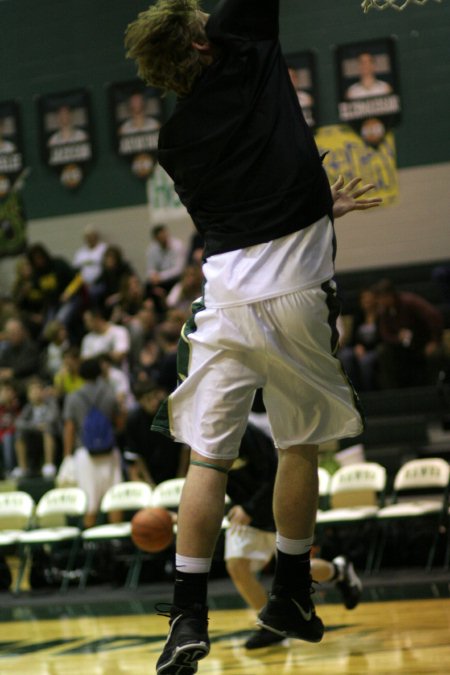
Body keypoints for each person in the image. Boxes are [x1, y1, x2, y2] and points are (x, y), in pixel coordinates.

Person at [125, 2, 381, 672]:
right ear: (202, 43)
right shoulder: (249, 50)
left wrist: (316, 204)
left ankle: (185, 616)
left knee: (207, 462)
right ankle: (293, 592)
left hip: (225, 300)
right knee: (300, 446)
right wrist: (318, 207)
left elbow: (254, 201)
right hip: (297, 295)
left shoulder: (173, 144)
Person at [225, 422, 362, 649]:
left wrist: (250, 508)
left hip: (275, 506)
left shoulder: (250, 436)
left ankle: (339, 571)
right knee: (237, 566)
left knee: (293, 572)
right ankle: (272, 626)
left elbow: (275, 478)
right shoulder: (208, 433)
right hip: (245, 513)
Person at [62, 357, 124, 528]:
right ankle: (116, 542)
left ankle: (90, 548)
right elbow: (120, 423)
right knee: (114, 497)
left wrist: (67, 455)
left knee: (89, 500)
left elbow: (69, 428)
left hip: (85, 453)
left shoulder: (73, 397)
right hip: (109, 451)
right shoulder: (110, 393)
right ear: (99, 372)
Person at [373, 278, 444, 388]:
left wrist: (435, 340)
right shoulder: (384, 311)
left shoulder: (410, 302)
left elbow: (434, 317)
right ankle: (393, 393)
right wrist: (397, 338)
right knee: (383, 351)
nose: (379, 302)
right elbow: (385, 334)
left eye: (381, 298)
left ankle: (433, 391)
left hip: (424, 342)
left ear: (389, 295)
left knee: (435, 354)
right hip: (403, 346)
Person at [124, 380, 189, 487]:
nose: (154, 402)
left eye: (155, 396)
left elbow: (184, 448)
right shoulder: (134, 421)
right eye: (148, 399)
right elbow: (136, 456)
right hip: (151, 470)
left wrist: (181, 475)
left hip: (174, 467)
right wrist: (149, 482)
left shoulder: (171, 412)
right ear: (139, 401)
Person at [14, 377, 60, 480]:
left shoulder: (50, 403)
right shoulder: (28, 408)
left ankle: (49, 465)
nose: (35, 393)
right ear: (28, 395)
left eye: (38, 390)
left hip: (51, 434)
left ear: (43, 392)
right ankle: (23, 468)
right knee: (19, 434)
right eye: (32, 391)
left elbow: (52, 419)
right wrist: (36, 426)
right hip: (33, 435)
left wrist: (41, 426)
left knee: (48, 430)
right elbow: (19, 423)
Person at [338, 288, 381, 391]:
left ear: (374, 300)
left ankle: (368, 390)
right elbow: (353, 337)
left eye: (369, 299)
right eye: (364, 299)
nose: (367, 302)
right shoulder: (359, 316)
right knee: (345, 355)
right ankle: (353, 389)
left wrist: (365, 348)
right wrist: (357, 346)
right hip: (359, 348)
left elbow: (382, 337)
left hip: (374, 348)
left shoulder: (381, 316)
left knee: (365, 361)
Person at [146, 224, 187, 294]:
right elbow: (150, 268)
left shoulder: (178, 245)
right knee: (148, 286)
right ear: (156, 239)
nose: (163, 238)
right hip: (159, 280)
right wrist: (152, 276)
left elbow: (178, 270)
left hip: (175, 279)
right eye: (160, 237)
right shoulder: (151, 249)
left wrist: (160, 277)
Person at [72, 225, 108, 290]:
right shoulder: (80, 252)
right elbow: (76, 269)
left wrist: (95, 282)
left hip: (100, 283)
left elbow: (108, 268)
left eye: (92, 236)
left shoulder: (104, 249)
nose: (90, 238)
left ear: (97, 236)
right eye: (88, 237)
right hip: (83, 284)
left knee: (93, 292)